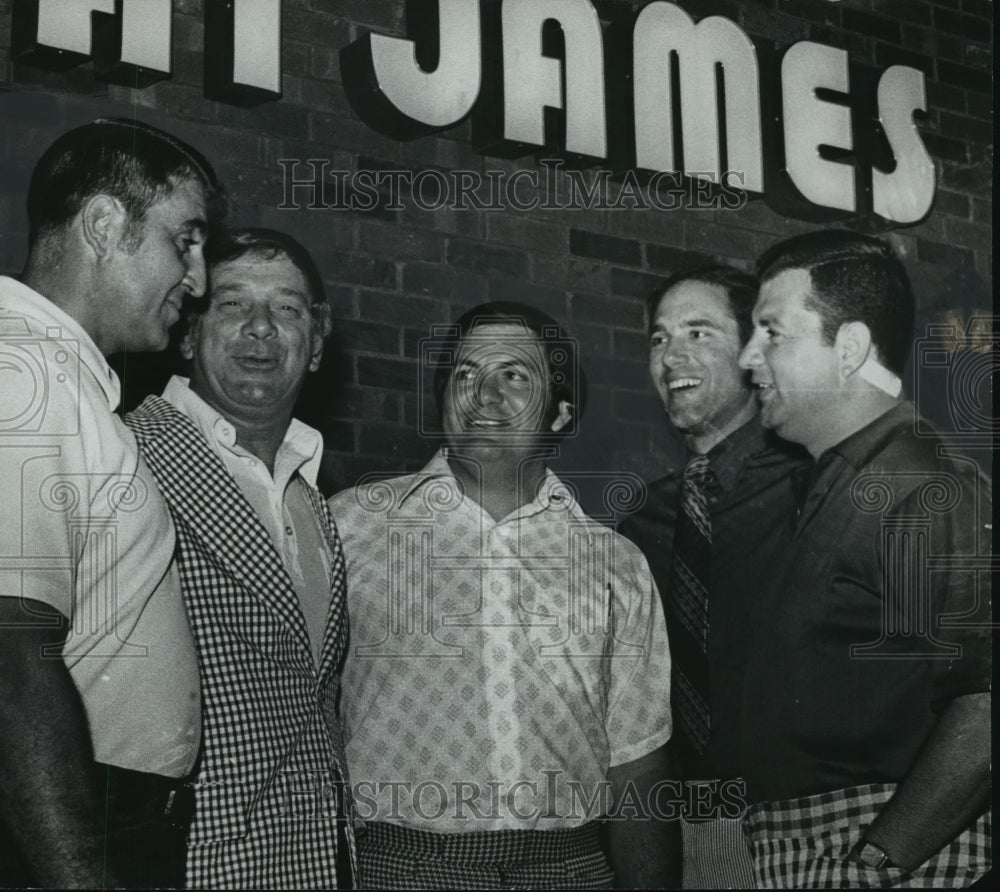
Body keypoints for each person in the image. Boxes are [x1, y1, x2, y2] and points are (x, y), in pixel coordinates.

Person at [328, 302, 674, 889]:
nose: (483, 395)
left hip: (571, 870)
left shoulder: (617, 564)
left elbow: (639, 760)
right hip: (397, 869)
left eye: (514, 375)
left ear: (562, 415)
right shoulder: (350, 527)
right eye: (464, 375)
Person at [737, 230, 991, 887]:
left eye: (771, 331)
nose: (748, 356)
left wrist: (876, 863)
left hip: (883, 852)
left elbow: (987, 702)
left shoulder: (921, 482)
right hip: (810, 851)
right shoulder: (835, 484)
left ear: (847, 348)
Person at [0, 118, 217, 888]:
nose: (198, 279)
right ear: (103, 224)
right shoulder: (20, 372)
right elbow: (10, 659)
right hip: (62, 833)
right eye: (184, 240)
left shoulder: (67, 386)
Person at [125, 228, 356, 888]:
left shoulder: (311, 501)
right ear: (189, 332)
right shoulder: (123, 457)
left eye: (287, 308)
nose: (261, 328)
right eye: (231, 305)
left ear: (316, 341)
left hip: (309, 864)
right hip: (183, 869)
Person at [618, 266, 808, 889]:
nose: (672, 355)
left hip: (802, 821)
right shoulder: (640, 520)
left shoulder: (818, 487)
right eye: (658, 338)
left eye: (699, 332)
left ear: (755, 350)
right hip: (685, 825)